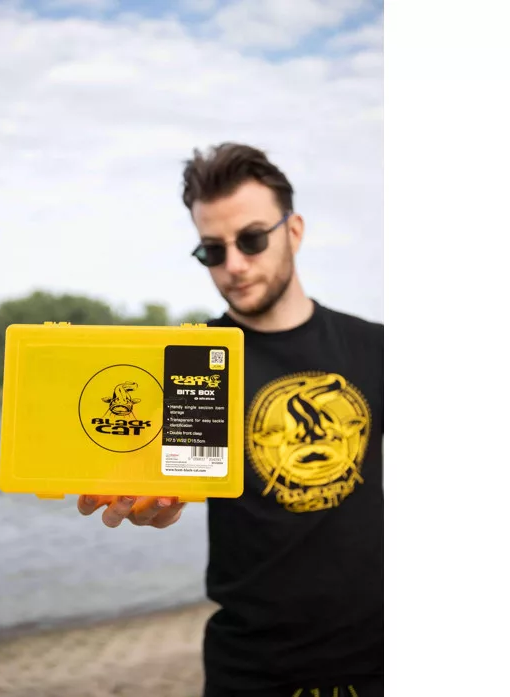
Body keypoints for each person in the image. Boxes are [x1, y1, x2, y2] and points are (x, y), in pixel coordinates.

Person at [77, 143, 384, 697]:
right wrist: (152, 505)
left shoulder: (376, 349)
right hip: (251, 670)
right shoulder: (194, 361)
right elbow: (165, 487)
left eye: (252, 239)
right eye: (212, 251)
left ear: (294, 232)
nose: (234, 265)